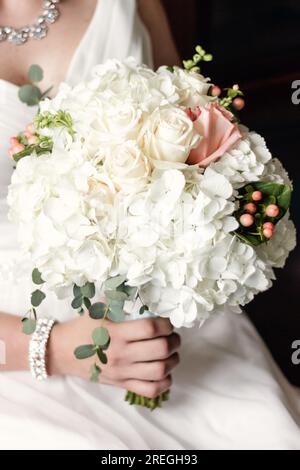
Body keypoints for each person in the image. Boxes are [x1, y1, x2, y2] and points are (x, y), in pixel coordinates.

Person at [0, 0, 299, 450]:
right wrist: (54, 349)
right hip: (18, 343)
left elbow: (202, 136)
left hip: (162, 303)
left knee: (265, 430)